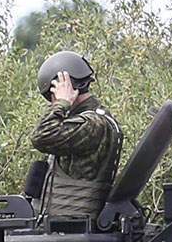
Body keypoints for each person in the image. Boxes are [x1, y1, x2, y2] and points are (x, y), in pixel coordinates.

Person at [30, 49, 122, 228]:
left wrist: (62, 102)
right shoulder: (91, 120)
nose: (50, 103)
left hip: (68, 228)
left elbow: (40, 136)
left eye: (51, 95)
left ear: (69, 88)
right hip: (64, 226)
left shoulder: (93, 124)